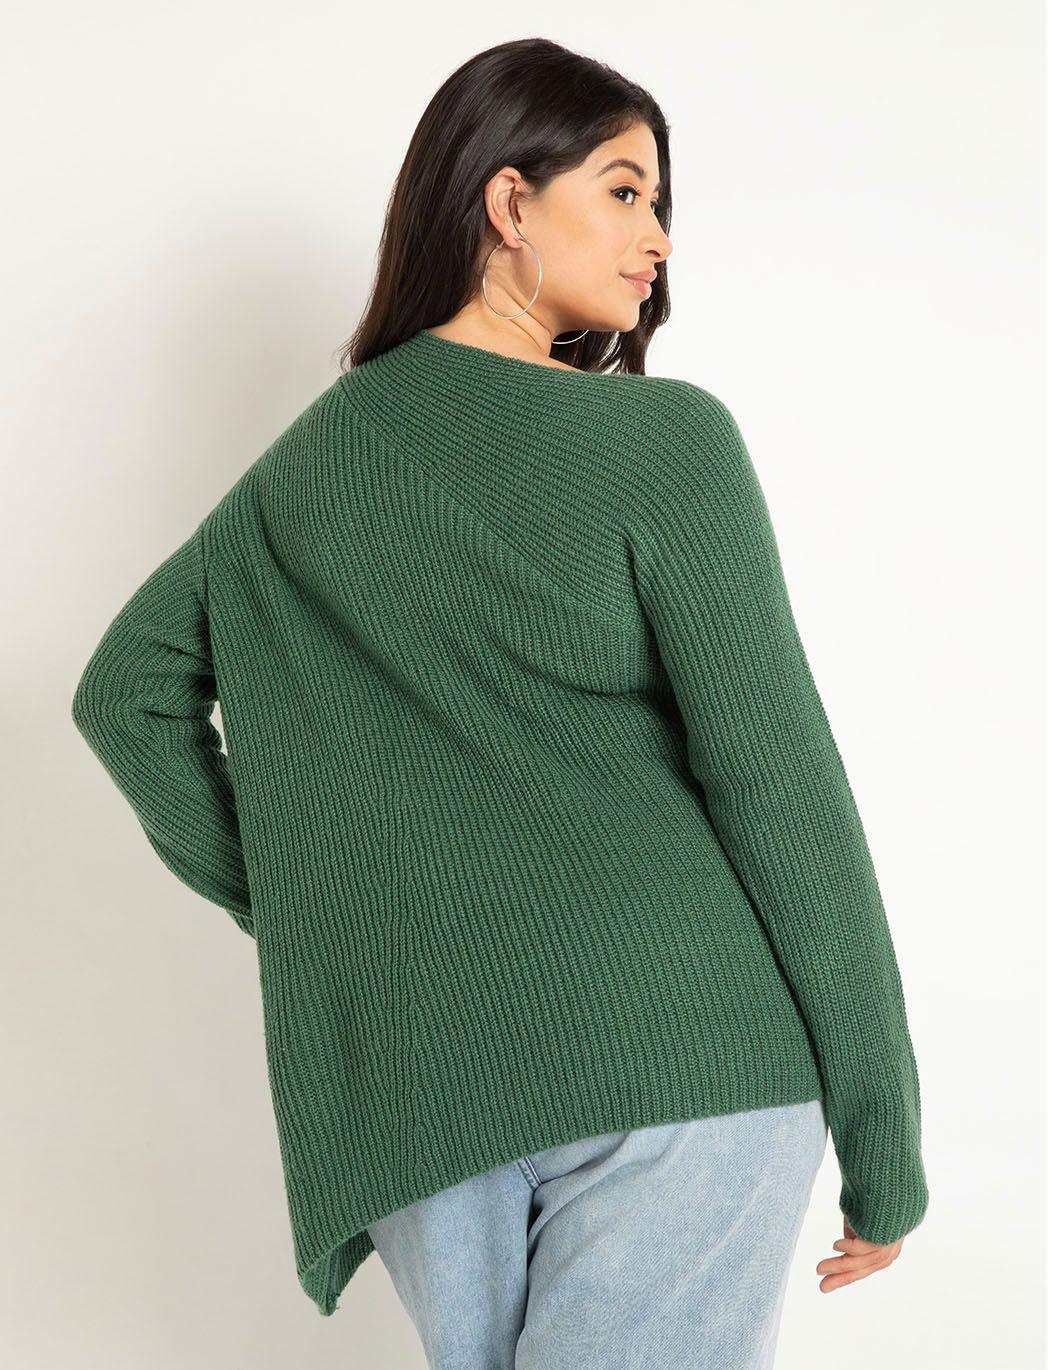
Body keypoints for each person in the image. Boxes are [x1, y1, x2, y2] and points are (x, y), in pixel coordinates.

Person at [70, 35, 929, 1369]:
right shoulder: (658, 440)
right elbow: (777, 783)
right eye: (624, 190)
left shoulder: (308, 468)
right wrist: (883, 1127)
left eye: (660, 203)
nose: (657, 238)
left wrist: (316, 902)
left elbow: (125, 699)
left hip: (423, 1089)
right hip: (683, 1053)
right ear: (509, 202)